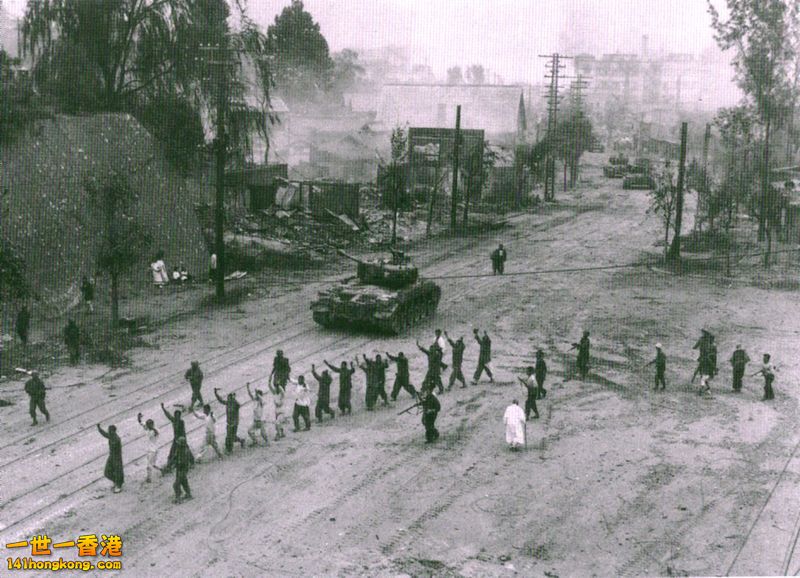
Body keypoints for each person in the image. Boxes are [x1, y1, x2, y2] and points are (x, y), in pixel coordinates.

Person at [162, 403, 194, 472]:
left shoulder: (181, 422)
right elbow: (168, 415)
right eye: (176, 416)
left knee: (186, 451)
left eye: (178, 416)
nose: (177, 417)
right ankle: (169, 466)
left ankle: (191, 462)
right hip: (176, 439)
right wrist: (163, 409)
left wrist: (183, 441)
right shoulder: (174, 421)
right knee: (172, 453)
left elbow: (183, 432)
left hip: (181, 439)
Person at [214, 388, 246, 453]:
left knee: (229, 437)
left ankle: (229, 449)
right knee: (232, 437)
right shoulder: (228, 403)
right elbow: (220, 400)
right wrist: (216, 393)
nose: (228, 399)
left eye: (229, 398)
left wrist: (234, 399)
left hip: (234, 424)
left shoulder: (235, 404)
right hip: (229, 423)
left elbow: (239, 404)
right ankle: (241, 441)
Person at [97, 424, 124, 493]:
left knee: (118, 471)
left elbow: (112, 441)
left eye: (109, 430)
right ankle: (116, 481)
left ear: (113, 431)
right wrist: (99, 428)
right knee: (107, 472)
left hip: (117, 457)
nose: (108, 432)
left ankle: (118, 485)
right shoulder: (111, 436)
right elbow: (105, 434)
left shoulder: (117, 439)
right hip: (112, 456)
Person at [137, 412, 161, 482]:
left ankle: (149, 478)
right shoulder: (153, 429)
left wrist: (146, 428)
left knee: (149, 465)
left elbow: (148, 430)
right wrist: (139, 418)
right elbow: (142, 423)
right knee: (152, 464)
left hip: (152, 450)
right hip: (155, 449)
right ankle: (157, 472)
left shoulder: (153, 431)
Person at [692, 330, 717, 396]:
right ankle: (707, 388)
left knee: (703, 374)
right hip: (708, 359)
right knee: (706, 374)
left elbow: (695, 347)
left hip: (704, 358)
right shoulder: (711, 343)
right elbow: (715, 355)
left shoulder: (703, 340)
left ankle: (704, 388)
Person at [172, 436, 193, 504]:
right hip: (179, 469)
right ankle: (188, 494)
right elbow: (175, 457)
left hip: (183, 469)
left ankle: (178, 498)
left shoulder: (185, 452)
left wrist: (175, 464)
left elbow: (183, 462)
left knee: (176, 484)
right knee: (184, 482)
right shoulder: (179, 450)